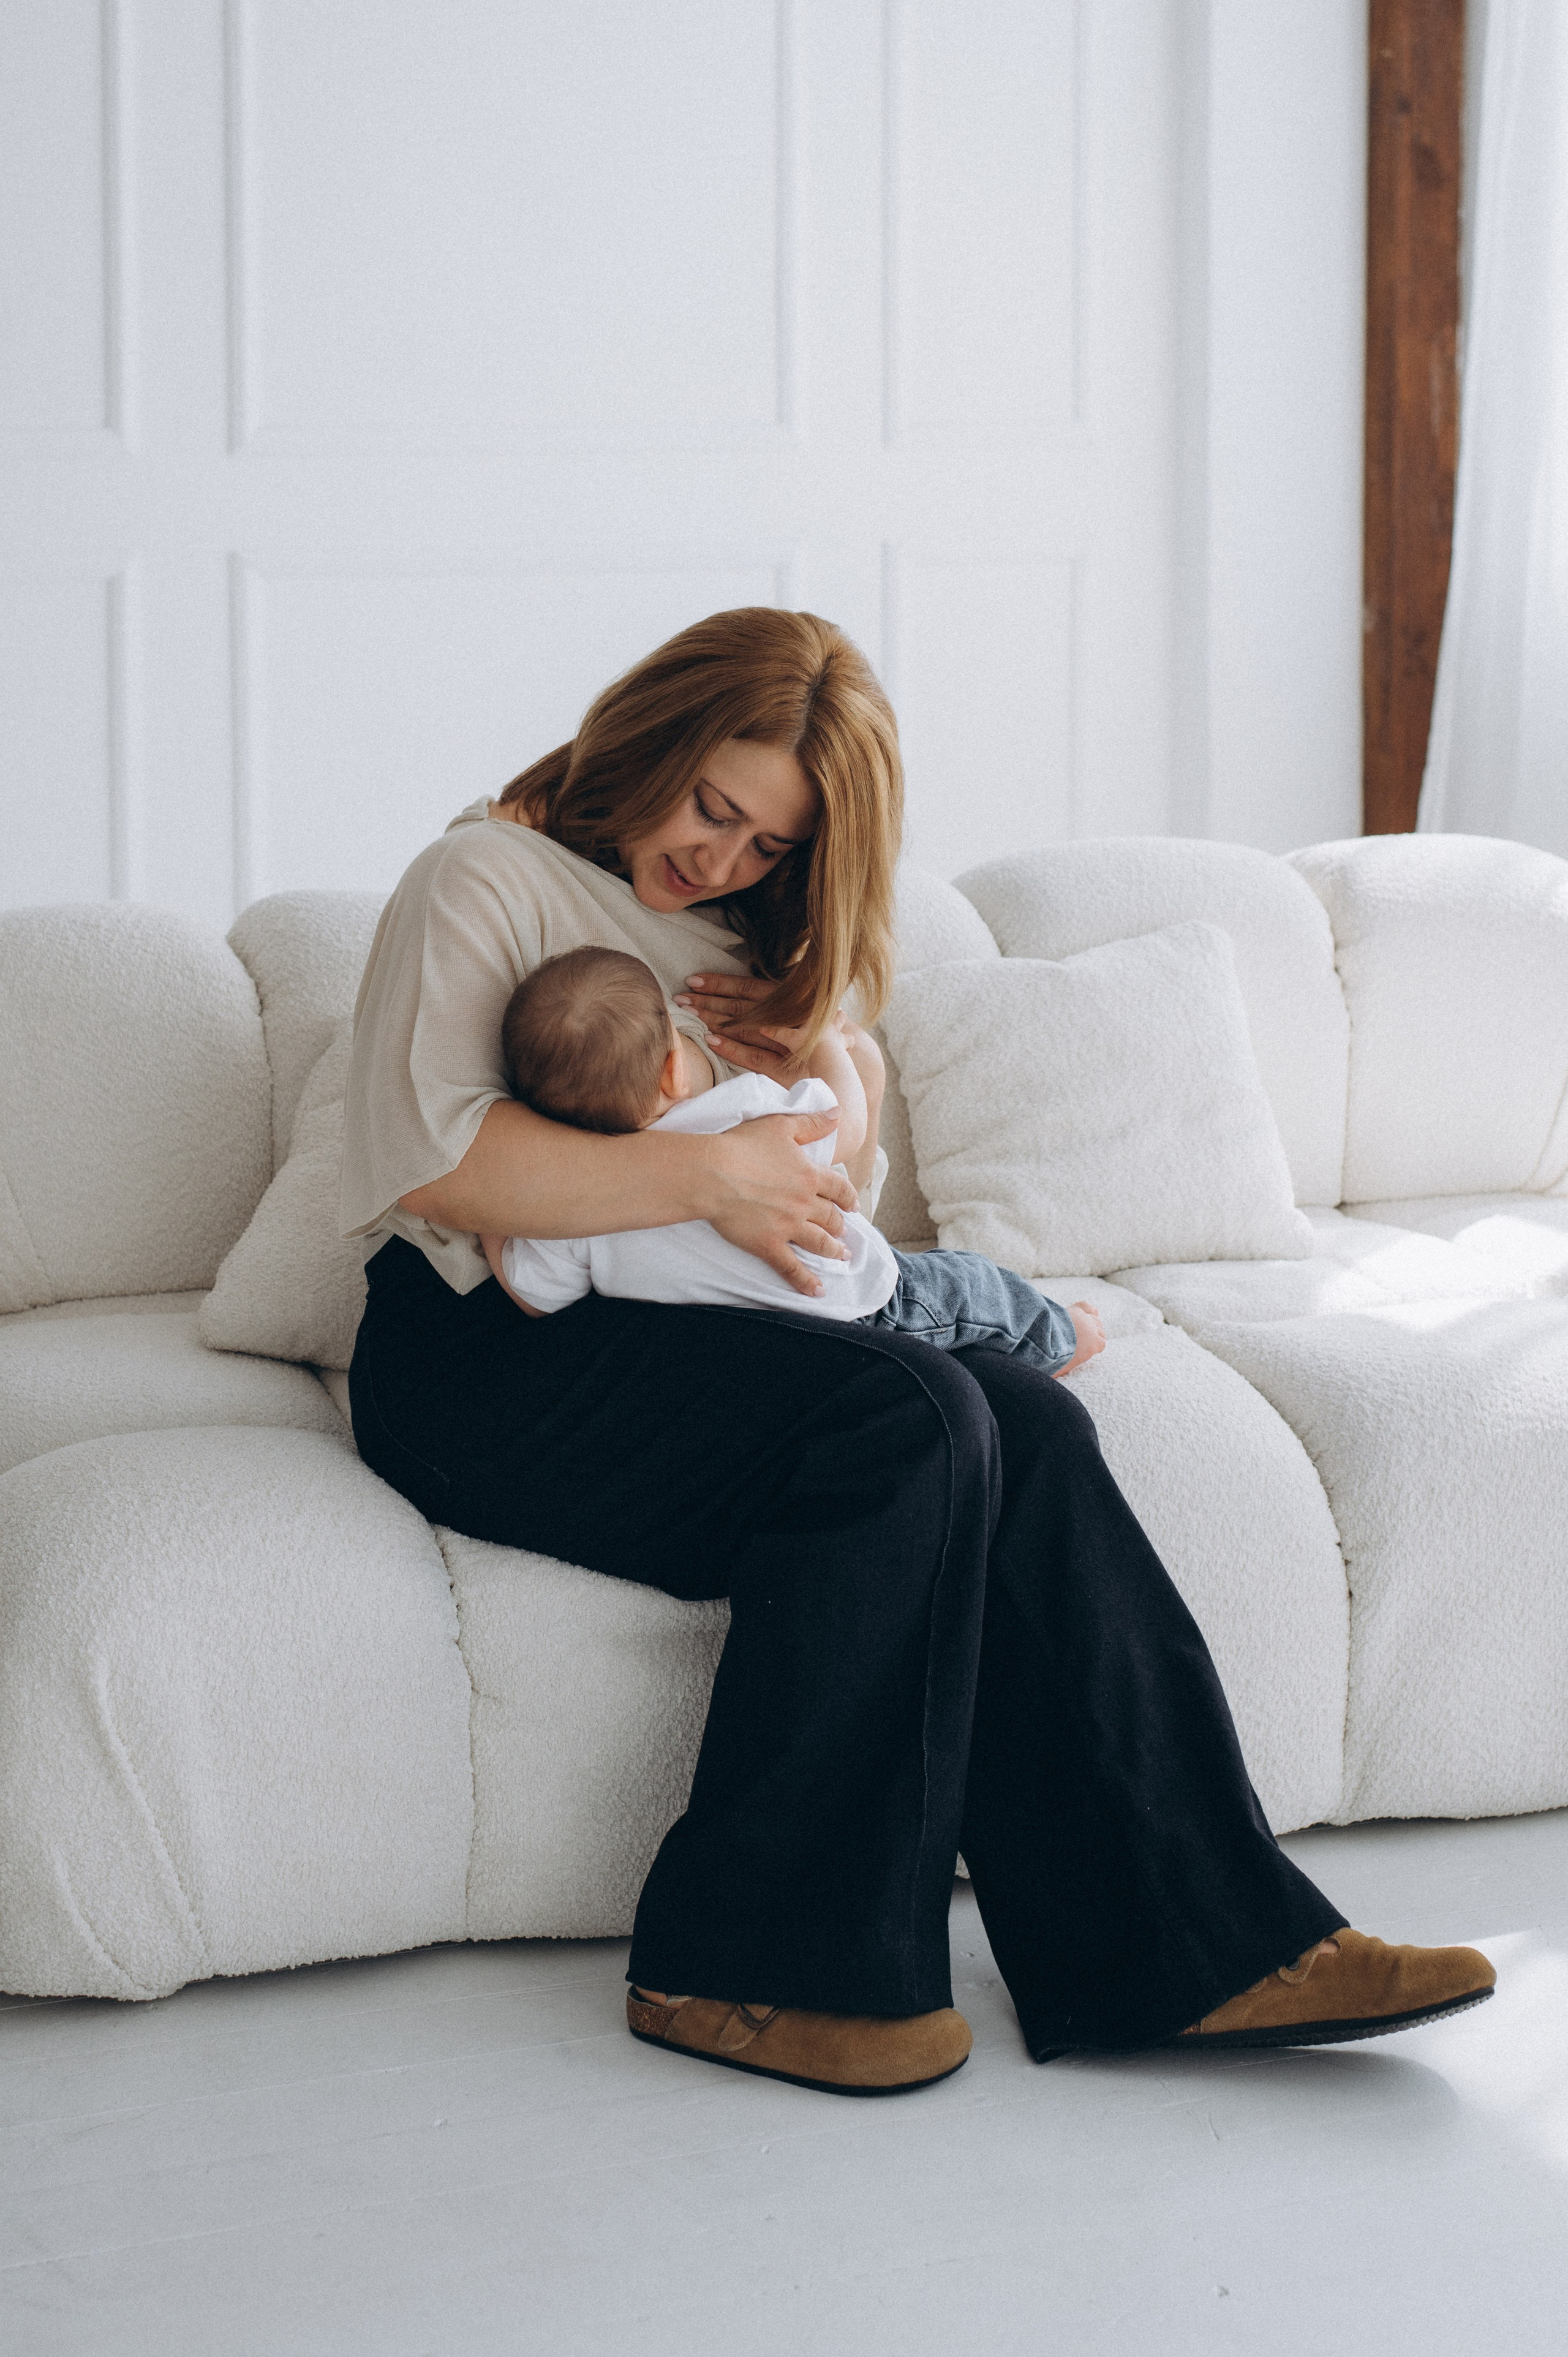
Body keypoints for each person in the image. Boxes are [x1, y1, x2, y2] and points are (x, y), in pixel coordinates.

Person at [342, 606, 1494, 2097]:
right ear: (655, 734)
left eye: (766, 846)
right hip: (481, 1358)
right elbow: (442, 1165)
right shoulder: (481, 878)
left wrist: (835, 1087)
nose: (720, 859)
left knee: (1023, 1419)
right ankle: (742, 1963)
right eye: (712, 806)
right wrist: (712, 1174)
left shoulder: (741, 948)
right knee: (905, 1420)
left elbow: (812, 1207)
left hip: (690, 1333)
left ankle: (1191, 1943)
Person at [481, 941, 1090, 1381]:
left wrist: (493, 1212)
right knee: (968, 1285)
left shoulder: (578, 1210)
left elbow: (533, 1294)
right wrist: (826, 1043)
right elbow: (843, 1128)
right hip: (863, 1305)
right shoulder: (736, 1116)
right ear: (674, 1065)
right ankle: (1066, 1339)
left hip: (769, 1363)